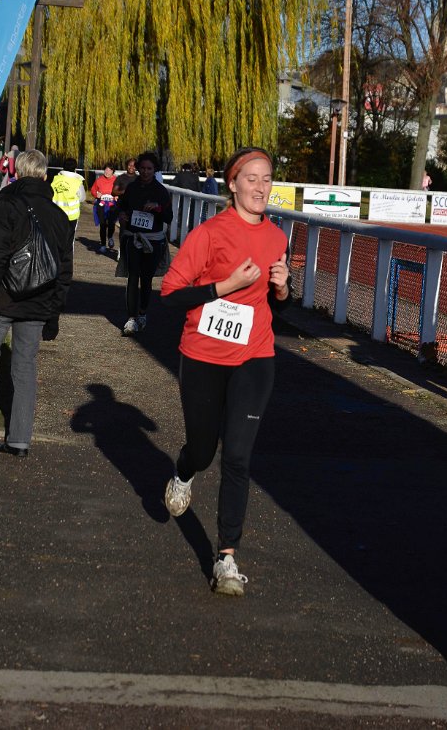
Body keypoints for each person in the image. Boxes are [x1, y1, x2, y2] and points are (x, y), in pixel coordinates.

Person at [161, 147, 290, 596]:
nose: (260, 187)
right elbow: (170, 294)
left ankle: (226, 558)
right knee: (203, 450)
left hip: (255, 357)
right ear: (232, 184)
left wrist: (282, 289)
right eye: (251, 178)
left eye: (267, 178)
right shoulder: (210, 234)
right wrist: (225, 286)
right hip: (203, 356)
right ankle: (184, 471)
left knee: (238, 456)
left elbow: (276, 304)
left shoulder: (277, 237)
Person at [0, 150, 73, 458]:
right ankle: (20, 440)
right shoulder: (59, 216)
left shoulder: (5, 206)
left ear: (17, 173)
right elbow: (64, 270)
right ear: (45, 176)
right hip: (38, 303)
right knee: (25, 367)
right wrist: (54, 313)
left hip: (2, 300)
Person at [116, 151, 172, 336]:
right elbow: (122, 206)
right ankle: (131, 318)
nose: (146, 172)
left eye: (149, 169)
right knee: (133, 276)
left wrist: (157, 208)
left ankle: (142, 313)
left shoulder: (161, 191)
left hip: (153, 241)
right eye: (143, 168)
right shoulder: (132, 188)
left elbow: (169, 217)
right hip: (134, 238)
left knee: (146, 279)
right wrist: (122, 214)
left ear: (155, 170)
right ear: (138, 169)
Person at [51, 157, 86, 238]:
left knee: (57, 237)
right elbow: (82, 198)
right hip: (71, 216)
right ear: (75, 168)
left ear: (63, 167)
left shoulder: (56, 179)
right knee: (69, 239)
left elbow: (51, 193)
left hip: (56, 213)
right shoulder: (77, 182)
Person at [90, 163, 118, 253]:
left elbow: (121, 191)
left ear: (113, 171)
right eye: (106, 169)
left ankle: (110, 237)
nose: (107, 172)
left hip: (112, 205)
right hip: (101, 204)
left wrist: (117, 196)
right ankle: (103, 245)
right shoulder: (99, 180)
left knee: (111, 223)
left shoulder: (116, 180)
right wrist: (96, 194)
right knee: (102, 224)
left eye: (110, 170)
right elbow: (93, 190)